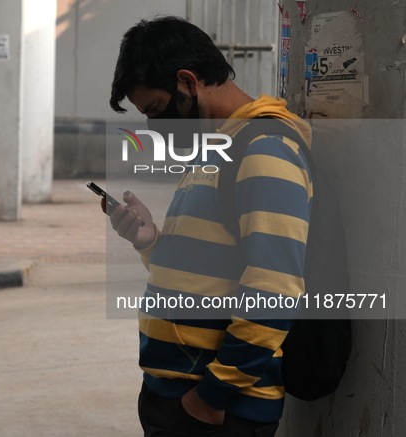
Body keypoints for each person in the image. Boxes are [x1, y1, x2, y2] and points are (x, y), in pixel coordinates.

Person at [105, 16, 313, 437]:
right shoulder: (219, 148)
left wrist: (212, 397)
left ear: (187, 82)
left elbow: (274, 287)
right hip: (176, 393)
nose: (153, 127)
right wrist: (150, 242)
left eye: (157, 110)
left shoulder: (264, 150)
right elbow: (208, 268)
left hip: (214, 410)